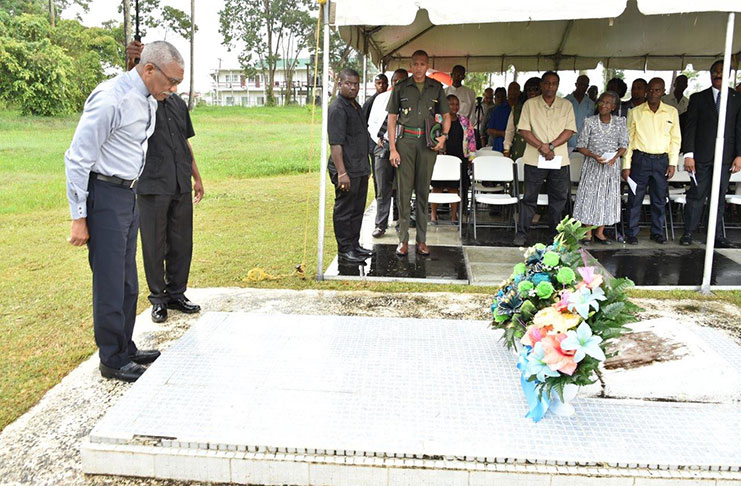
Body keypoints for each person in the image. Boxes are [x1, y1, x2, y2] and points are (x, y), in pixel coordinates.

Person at [65, 40, 184, 382]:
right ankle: (111, 358)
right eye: (171, 81)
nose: (173, 89)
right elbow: (77, 158)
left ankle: (125, 346)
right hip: (104, 195)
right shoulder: (111, 98)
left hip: (128, 194)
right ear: (149, 69)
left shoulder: (148, 99)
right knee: (110, 281)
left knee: (128, 282)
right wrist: (79, 216)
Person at [125, 41, 204, 324]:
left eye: (174, 84)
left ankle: (176, 293)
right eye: (169, 82)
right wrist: (132, 61)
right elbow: (131, 87)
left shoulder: (177, 104)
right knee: (155, 243)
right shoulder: (143, 101)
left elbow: (185, 141)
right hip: (152, 184)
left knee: (182, 242)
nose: (170, 88)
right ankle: (157, 299)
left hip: (179, 182)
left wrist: (196, 176)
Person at [387, 49, 451, 257]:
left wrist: (443, 137)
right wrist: (392, 148)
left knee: (423, 192)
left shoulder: (436, 88)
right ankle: (403, 240)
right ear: (411, 65)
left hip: (427, 145)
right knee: (404, 194)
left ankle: (422, 240)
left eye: (422, 64)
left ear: (427, 66)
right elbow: (392, 119)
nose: (418, 68)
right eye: (415, 64)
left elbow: (446, 116)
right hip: (405, 143)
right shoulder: (401, 87)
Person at [680, 60, 741, 248]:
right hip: (700, 158)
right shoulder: (698, 98)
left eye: (722, 72)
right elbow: (690, 128)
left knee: (719, 197)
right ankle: (688, 233)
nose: (718, 74)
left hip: (726, 158)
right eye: (715, 71)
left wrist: (739, 155)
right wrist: (688, 154)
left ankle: (717, 235)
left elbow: (739, 129)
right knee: (696, 195)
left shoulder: (737, 98)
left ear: (729, 75)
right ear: (710, 74)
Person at [513, 71, 576, 246]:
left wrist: (552, 146)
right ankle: (522, 234)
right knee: (529, 198)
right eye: (547, 83)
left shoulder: (566, 105)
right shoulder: (530, 104)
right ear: (541, 85)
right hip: (534, 158)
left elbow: (570, 130)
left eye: (554, 83)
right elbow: (524, 130)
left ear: (558, 86)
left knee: (558, 199)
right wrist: (542, 146)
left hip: (559, 159)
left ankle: (554, 237)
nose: (550, 86)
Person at [622, 77, 681, 245]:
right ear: (646, 91)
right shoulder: (635, 112)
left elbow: (675, 139)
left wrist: (672, 163)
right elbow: (628, 141)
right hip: (640, 160)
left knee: (659, 199)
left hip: (662, 160)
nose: (654, 93)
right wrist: (626, 165)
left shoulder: (671, 112)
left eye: (658, 90)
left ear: (663, 92)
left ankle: (657, 232)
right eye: (651, 90)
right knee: (635, 199)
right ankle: (632, 232)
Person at [327, 69, 373, 264]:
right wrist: (342, 173)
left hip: (360, 167)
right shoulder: (337, 108)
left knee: (357, 209)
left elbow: (363, 136)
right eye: (348, 83)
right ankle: (345, 249)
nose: (353, 87)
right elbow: (336, 144)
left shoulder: (357, 107)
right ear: (340, 83)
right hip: (345, 168)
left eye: (356, 84)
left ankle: (354, 245)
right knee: (345, 210)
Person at [572, 91, 628, 244]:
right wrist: (594, 156)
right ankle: (588, 233)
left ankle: (600, 233)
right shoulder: (589, 121)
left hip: (611, 167)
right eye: (602, 102)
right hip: (592, 166)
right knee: (590, 198)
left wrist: (615, 157)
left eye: (608, 103)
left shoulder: (620, 122)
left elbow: (624, 144)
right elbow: (581, 145)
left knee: (606, 198)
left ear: (613, 107)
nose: (603, 105)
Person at [367, 68, 409, 238]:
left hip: (404, 147)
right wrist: (377, 137)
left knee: (403, 186)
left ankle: (401, 220)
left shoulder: (412, 101)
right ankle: (380, 224)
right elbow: (371, 123)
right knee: (383, 187)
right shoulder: (381, 99)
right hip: (383, 145)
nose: (399, 84)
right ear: (392, 82)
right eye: (396, 81)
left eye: (403, 81)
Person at [430, 94, 476, 223]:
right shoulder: (437, 120)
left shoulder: (464, 121)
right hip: (441, 158)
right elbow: (431, 137)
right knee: (437, 187)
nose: (454, 107)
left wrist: (471, 158)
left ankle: (454, 216)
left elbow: (471, 140)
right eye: (451, 104)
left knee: (454, 188)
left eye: (457, 104)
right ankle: (433, 215)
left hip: (459, 157)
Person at [504, 77, 540, 162]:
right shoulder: (517, 109)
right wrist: (506, 150)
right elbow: (509, 131)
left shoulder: (547, 109)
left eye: (536, 89)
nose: (532, 92)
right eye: (529, 90)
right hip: (520, 151)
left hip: (540, 152)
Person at [565, 75, 596, 151]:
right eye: (580, 84)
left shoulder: (591, 103)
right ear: (576, 84)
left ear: (587, 87)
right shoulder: (566, 101)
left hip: (585, 144)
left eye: (585, 85)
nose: (582, 86)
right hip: (567, 142)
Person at [487, 82, 520, 152]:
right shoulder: (498, 109)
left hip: (518, 147)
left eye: (515, 89)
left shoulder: (523, 108)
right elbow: (489, 130)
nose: (513, 92)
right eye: (510, 89)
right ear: (508, 92)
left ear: (519, 92)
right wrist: (503, 133)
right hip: (500, 146)